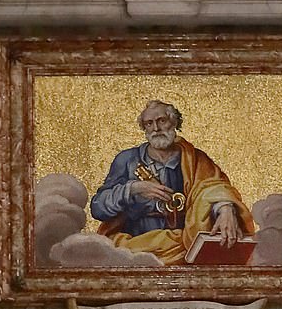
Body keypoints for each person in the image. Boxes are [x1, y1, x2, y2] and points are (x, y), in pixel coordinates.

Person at [90, 100, 255, 265]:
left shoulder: (194, 159)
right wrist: (133, 188)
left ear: (174, 122)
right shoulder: (127, 160)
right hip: (136, 247)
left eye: (162, 121)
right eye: (149, 123)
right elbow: (98, 207)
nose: (156, 128)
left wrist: (225, 208)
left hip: (185, 246)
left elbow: (214, 186)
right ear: (144, 128)